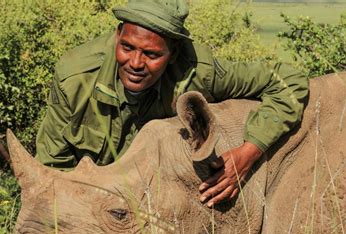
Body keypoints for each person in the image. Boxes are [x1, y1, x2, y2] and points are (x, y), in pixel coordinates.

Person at [35, 0, 308, 207]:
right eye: (127, 47)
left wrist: (249, 152)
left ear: (173, 53)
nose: (136, 64)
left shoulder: (198, 71)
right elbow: (52, 165)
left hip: (160, 210)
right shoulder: (75, 77)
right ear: (118, 35)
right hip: (89, 207)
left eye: (152, 54)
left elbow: (288, 81)